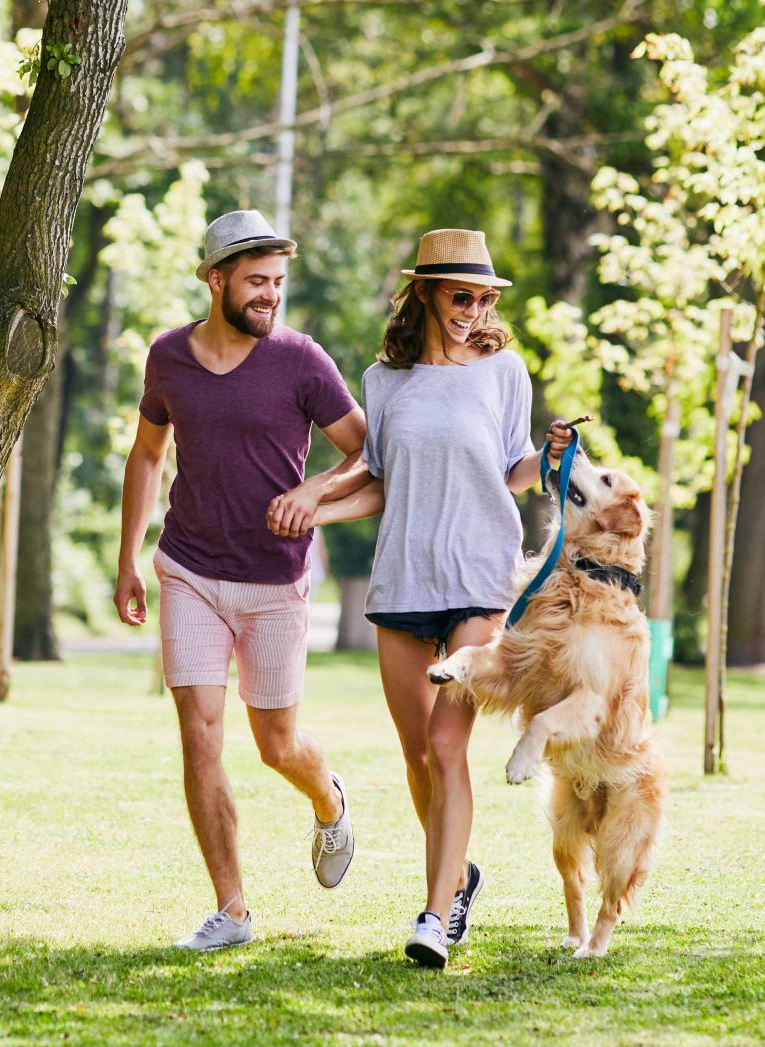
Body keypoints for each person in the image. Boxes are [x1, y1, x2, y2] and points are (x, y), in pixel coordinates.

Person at [285, 229, 574, 968]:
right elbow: (379, 482)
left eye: (483, 298)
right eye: (460, 296)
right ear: (426, 293)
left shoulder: (503, 370)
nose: (473, 310)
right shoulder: (384, 381)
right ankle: (460, 875)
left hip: (480, 575)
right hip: (404, 574)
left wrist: (552, 456)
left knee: (449, 749)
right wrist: (314, 507)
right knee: (417, 755)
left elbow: (514, 468)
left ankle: (435, 915)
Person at [113, 209, 370, 952]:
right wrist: (130, 555)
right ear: (216, 280)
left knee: (277, 744)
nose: (270, 297)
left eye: (279, 284)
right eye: (257, 283)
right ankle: (231, 909)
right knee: (199, 736)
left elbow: (363, 452)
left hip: (274, 579)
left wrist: (313, 493)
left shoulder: (301, 362)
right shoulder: (169, 358)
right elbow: (145, 454)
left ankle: (329, 797)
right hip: (188, 567)